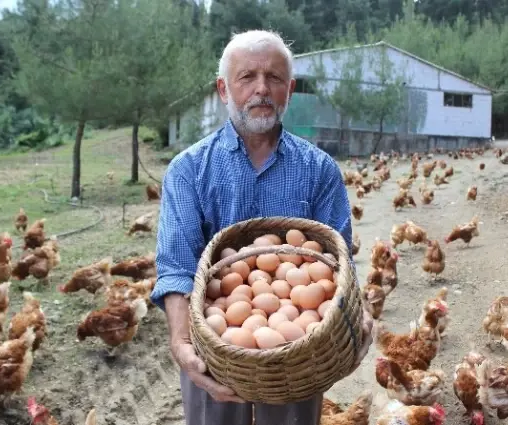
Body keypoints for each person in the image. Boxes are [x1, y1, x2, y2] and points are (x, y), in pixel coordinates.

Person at [150, 29, 373, 425]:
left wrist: (353, 318)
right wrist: (183, 341)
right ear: (223, 89)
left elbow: (337, 265)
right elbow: (177, 268)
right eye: (247, 77)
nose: (261, 89)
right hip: (214, 347)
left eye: (274, 78)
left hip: (298, 354)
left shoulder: (319, 170)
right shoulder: (187, 170)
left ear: (289, 89)